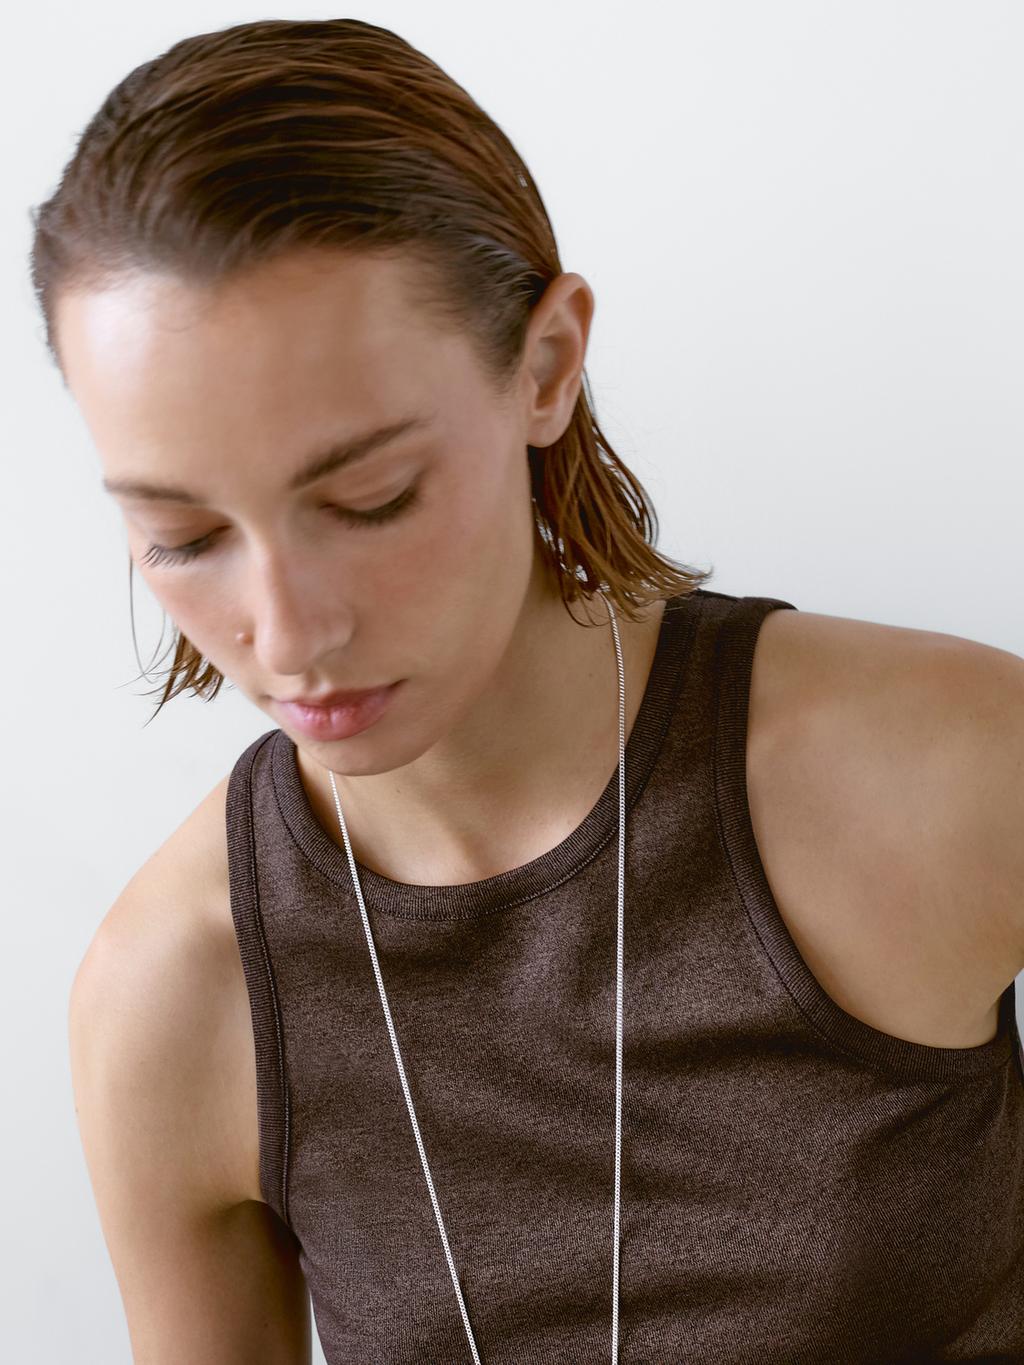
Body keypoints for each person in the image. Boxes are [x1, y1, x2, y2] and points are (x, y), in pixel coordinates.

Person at [32, 18, 1023, 1365]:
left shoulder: (945, 769)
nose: (290, 632)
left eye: (370, 497)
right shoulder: (174, 990)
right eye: (184, 536)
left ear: (546, 368)